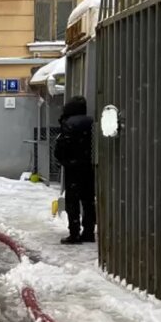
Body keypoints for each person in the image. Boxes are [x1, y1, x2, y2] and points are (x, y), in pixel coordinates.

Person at [54, 95, 96, 244]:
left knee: (72, 201)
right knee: (88, 200)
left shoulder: (68, 124)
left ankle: (74, 233)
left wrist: (63, 160)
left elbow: (61, 146)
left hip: (73, 168)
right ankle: (89, 231)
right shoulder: (92, 122)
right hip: (90, 167)